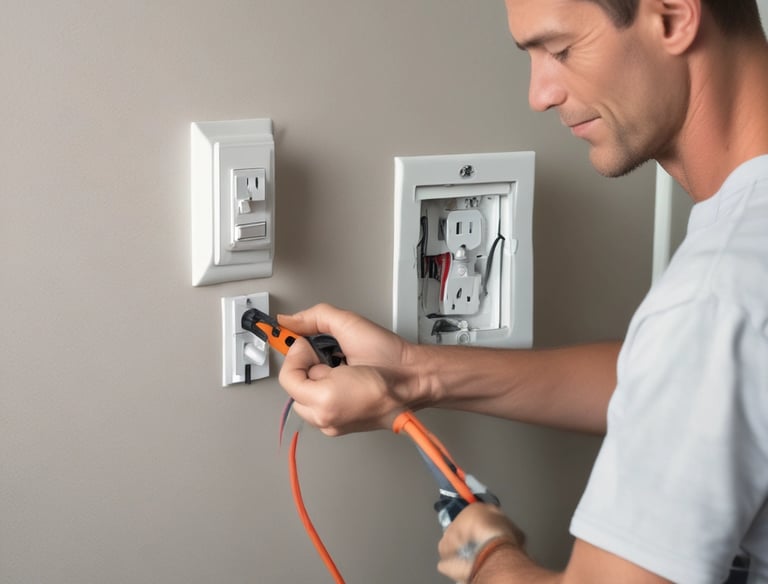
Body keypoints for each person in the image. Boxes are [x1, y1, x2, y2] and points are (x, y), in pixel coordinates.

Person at [278, 0, 768, 582]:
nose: (540, 93)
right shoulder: (727, 299)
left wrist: (484, 557)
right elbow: (685, 379)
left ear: (673, 15)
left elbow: (702, 343)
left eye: (561, 50)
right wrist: (411, 372)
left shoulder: (717, 295)